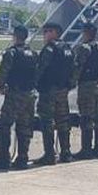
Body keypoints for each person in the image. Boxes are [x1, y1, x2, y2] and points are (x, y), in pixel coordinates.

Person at [0, 25, 39, 170]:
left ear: (15, 36)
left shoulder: (11, 53)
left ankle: (4, 157)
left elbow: (3, 72)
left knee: (4, 125)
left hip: (15, 93)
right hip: (29, 94)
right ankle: (22, 157)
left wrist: (2, 86)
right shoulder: (33, 53)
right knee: (25, 126)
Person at [34, 21, 76, 165]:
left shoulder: (50, 49)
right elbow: (73, 70)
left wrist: (35, 84)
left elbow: (40, 69)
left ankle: (49, 154)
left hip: (49, 90)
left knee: (47, 122)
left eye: (46, 32)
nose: (44, 35)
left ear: (54, 33)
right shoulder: (68, 49)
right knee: (63, 121)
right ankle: (66, 152)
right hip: (62, 90)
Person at [71, 21, 98, 160]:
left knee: (86, 118)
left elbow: (78, 67)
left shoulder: (84, 48)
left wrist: (72, 81)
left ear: (86, 33)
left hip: (87, 86)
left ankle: (86, 149)